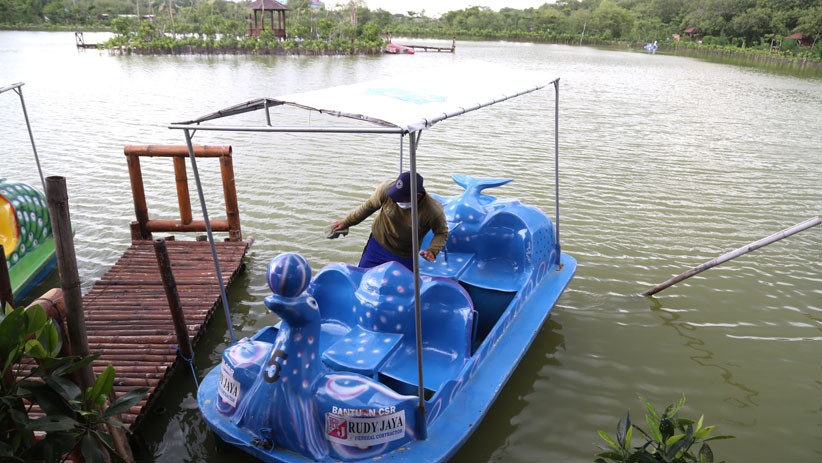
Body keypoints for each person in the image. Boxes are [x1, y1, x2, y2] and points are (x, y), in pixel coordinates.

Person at [330, 171, 448, 270]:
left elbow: (441, 233)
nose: (396, 200)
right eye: (395, 196)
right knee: (363, 276)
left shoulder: (433, 211)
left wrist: (432, 250)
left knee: (400, 285)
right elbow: (369, 206)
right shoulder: (386, 189)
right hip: (377, 245)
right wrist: (347, 222)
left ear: (417, 196)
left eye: (401, 198)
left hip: (405, 254)